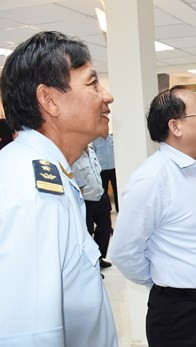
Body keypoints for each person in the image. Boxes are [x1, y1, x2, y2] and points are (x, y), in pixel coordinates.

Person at [0, 31, 117, 346]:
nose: (107, 96)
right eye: (92, 83)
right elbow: (32, 335)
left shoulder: (47, 172)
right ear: (49, 100)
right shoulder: (35, 192)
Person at [109, 86, 196, 346]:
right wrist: (166, 283)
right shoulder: (152, 179)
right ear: (176, 127)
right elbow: (125, 252)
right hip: (183, 315)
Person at [72, 144, 113, 269]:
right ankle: (91, 266)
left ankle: (99, 258)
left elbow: (97, 172)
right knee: (87, 233)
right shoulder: (75, 153)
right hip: (86, 200)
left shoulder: (91, 150)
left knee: (105, 228)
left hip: (100, 195)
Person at [92, 133, 119, 212]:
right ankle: (107, 209)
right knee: (104, 190)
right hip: (102, 169)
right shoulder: (95, 141)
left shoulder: (113, 139)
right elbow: (93, 155)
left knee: (116, 188)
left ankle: (118, 207)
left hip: (114, 168)